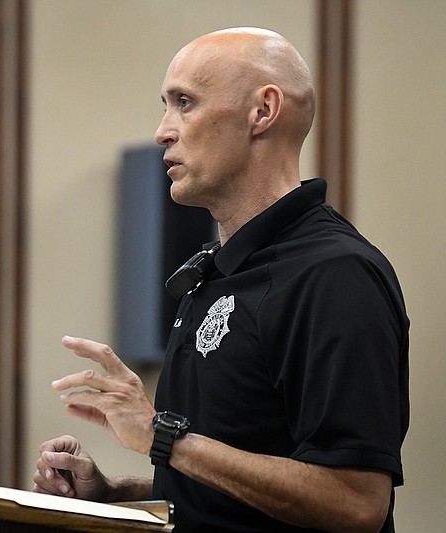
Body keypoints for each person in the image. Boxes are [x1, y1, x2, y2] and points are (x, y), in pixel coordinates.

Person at [32, 27, 409, 533]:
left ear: (263, 111)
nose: (163, 130)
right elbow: (235, 486)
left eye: (184, 103)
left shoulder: (335, 275)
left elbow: (355, 503)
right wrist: (113, 493)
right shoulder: (216, 269)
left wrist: (160, 435)